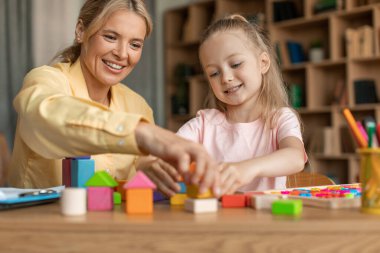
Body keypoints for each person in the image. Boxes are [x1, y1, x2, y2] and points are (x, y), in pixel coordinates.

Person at [8, 0, 220, 196]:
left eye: (135, 45)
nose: (122, 53)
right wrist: (141, 133)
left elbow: (139, 176)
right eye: (110, 37)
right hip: (39, 226)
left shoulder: (138, 106)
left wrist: (149, 168)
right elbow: (45, 117)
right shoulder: (45, 79)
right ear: (81, 31)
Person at [174, 14, 307, 194]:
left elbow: (296, 157)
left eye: (235, 64)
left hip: (266, 219)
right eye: (214, 73)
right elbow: (166, 150)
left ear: (263, 63)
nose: (226, 78)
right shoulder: (204, 124)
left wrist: (248, 168)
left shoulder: (280, 118)